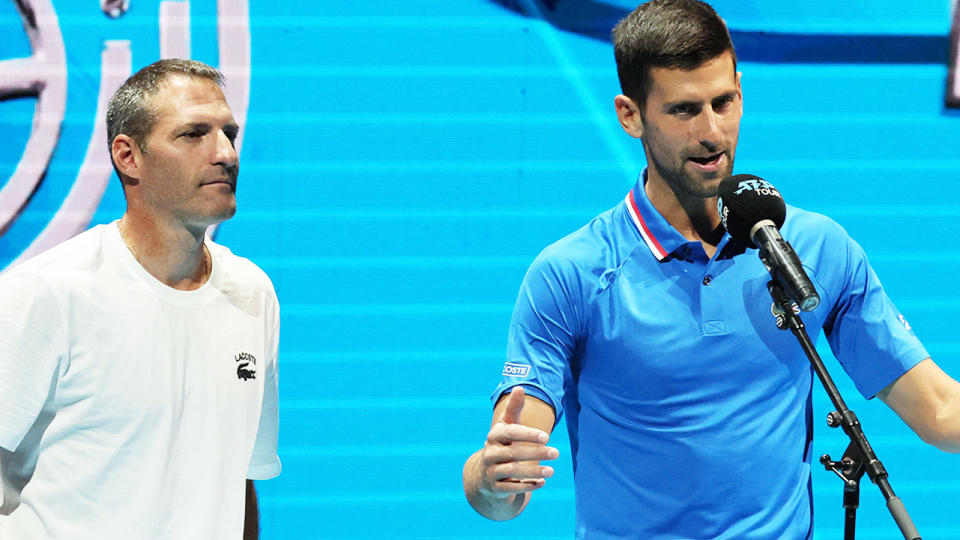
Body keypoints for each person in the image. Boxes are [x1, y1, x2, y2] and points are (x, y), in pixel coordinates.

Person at [462, 1, 960, 538]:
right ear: (630, 115)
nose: (712, 133)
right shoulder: (572, 275)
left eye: (724, 102)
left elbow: (938, 411)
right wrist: (493, 480)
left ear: (741, 91)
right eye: (684, 110)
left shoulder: (815, 249)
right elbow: (506, 485)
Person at [0, 59, 280, 539]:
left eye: (228, 133)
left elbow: (240, 484)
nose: (226, 154)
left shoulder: (252, 293)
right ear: (128, 157)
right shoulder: (46, 293)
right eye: (193, 134)